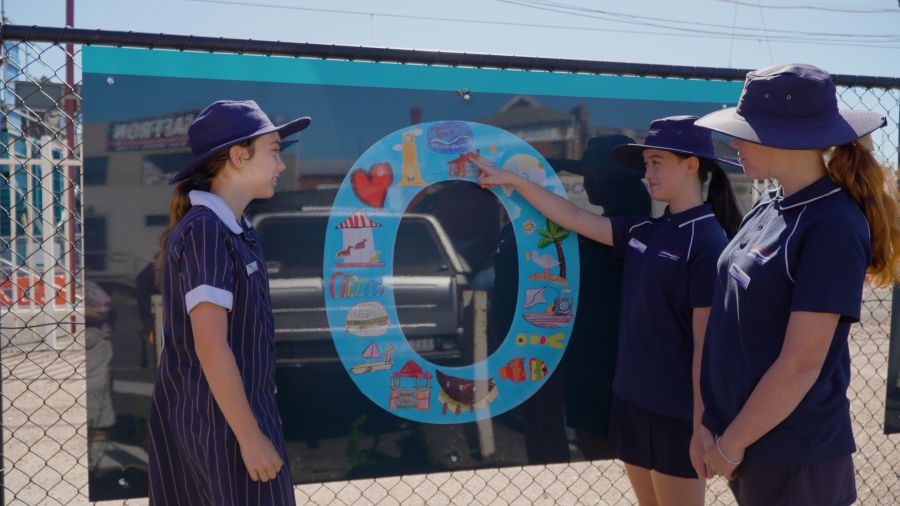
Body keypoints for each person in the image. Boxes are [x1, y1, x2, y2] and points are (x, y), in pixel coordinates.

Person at [474, 116, 742, 505]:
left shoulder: (707, 241)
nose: (647, 174)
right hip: (632, 404)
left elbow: (706, 345)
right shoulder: (644, 230)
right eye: (646, 164)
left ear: (692, 164)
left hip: (675, 415)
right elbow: (574, 218)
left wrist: (703, 426)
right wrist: (513, 181)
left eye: (657, 162)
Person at [695, 63, 899, 506]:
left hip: (793, 457)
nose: (734, 142)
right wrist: (710, 427)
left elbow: (801, 365)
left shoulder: (833, 224)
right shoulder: (771, 204)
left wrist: (730, 445)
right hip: (750, 442)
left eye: (746, 131)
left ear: (786, 139)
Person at [147, 100, 310, 505]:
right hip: (220, 434)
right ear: (239, 156)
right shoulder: (205, 230)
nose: (282, 164)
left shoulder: (233, 230)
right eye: (274, 150)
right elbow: (210, 343)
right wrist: (251, 437)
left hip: (233, 426)